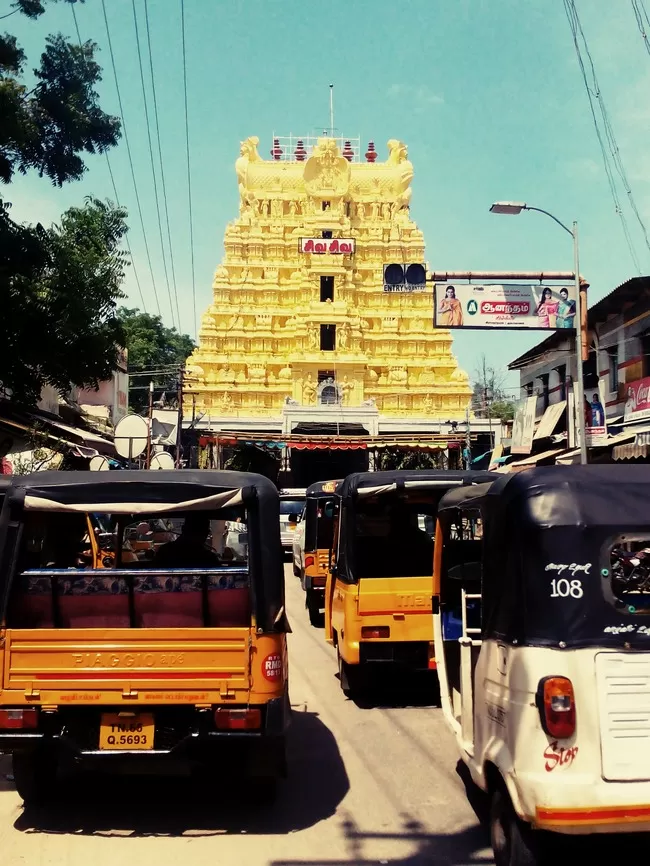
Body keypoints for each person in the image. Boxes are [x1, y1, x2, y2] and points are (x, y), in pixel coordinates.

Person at [153, 514, 221, 568]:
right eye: (193, 531)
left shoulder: (165, 552)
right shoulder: (209, 558)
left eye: (199, 532)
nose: (196, 536)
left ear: (183, 529)